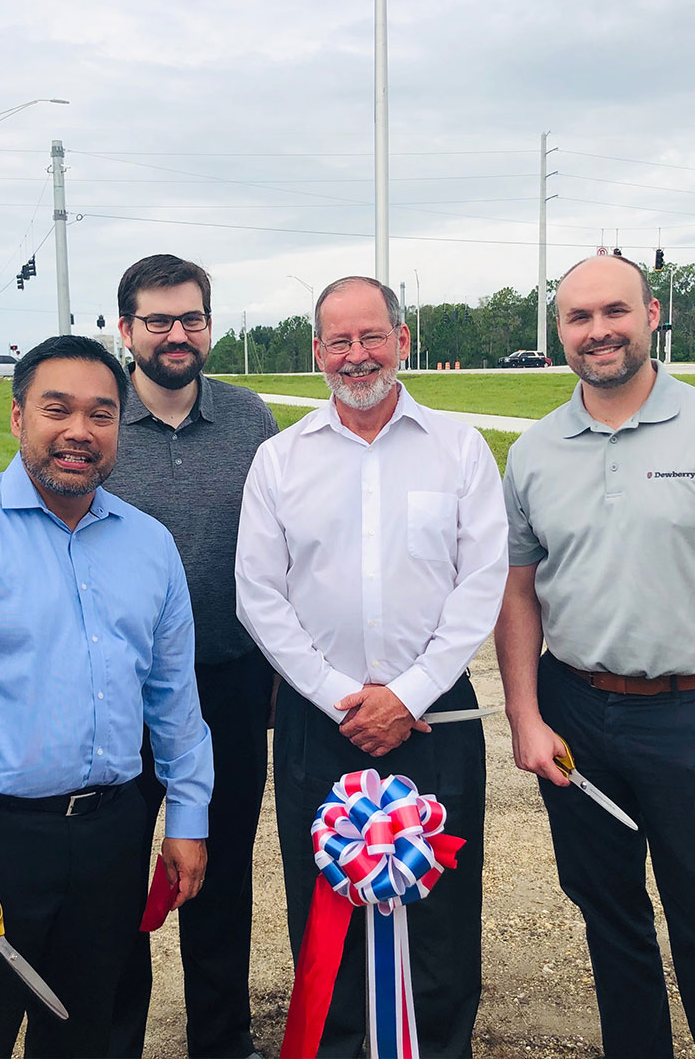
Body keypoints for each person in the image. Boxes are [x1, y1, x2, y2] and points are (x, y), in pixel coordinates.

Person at [494, 254, 695, 1059]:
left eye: (614, 311)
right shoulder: (535, 451)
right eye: (578, 318)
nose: (597, 331)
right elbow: (518, 591)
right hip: (577, 714)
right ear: (561, 332)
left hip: (694, 717)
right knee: (612, 928)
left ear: (650, 315)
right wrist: (526, 715)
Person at [0, 335, 215, 1059]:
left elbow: (174, 699)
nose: (78, 432)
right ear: (17, 417)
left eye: (101, 414)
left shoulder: (149, 547)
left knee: (92, 1035)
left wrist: (188, 815)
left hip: (111, 837)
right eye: (56, 409)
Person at [234, 276, 508, 1058]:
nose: (357, 357)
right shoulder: (279, 460)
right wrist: (340, 699)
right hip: (320, 727)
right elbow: (259, 596)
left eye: (372, 337)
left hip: (434, 719)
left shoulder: (459, 450)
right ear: (317, 352)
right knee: (323, 909)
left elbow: (480, 584)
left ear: (402, 339)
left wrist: (408, 693)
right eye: (339, 342)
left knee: (443, 920)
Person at [103, 255, 278, 1059]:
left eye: (192, 319)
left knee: (219, 865)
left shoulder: (249, 421)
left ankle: (221, 1036)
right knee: (112, 873)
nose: (177, 335)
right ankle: (114, 1034)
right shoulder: (100, 421)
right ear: (126, 329)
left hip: (231, 681)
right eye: (159, 321)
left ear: (209, 323)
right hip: (117, 689)